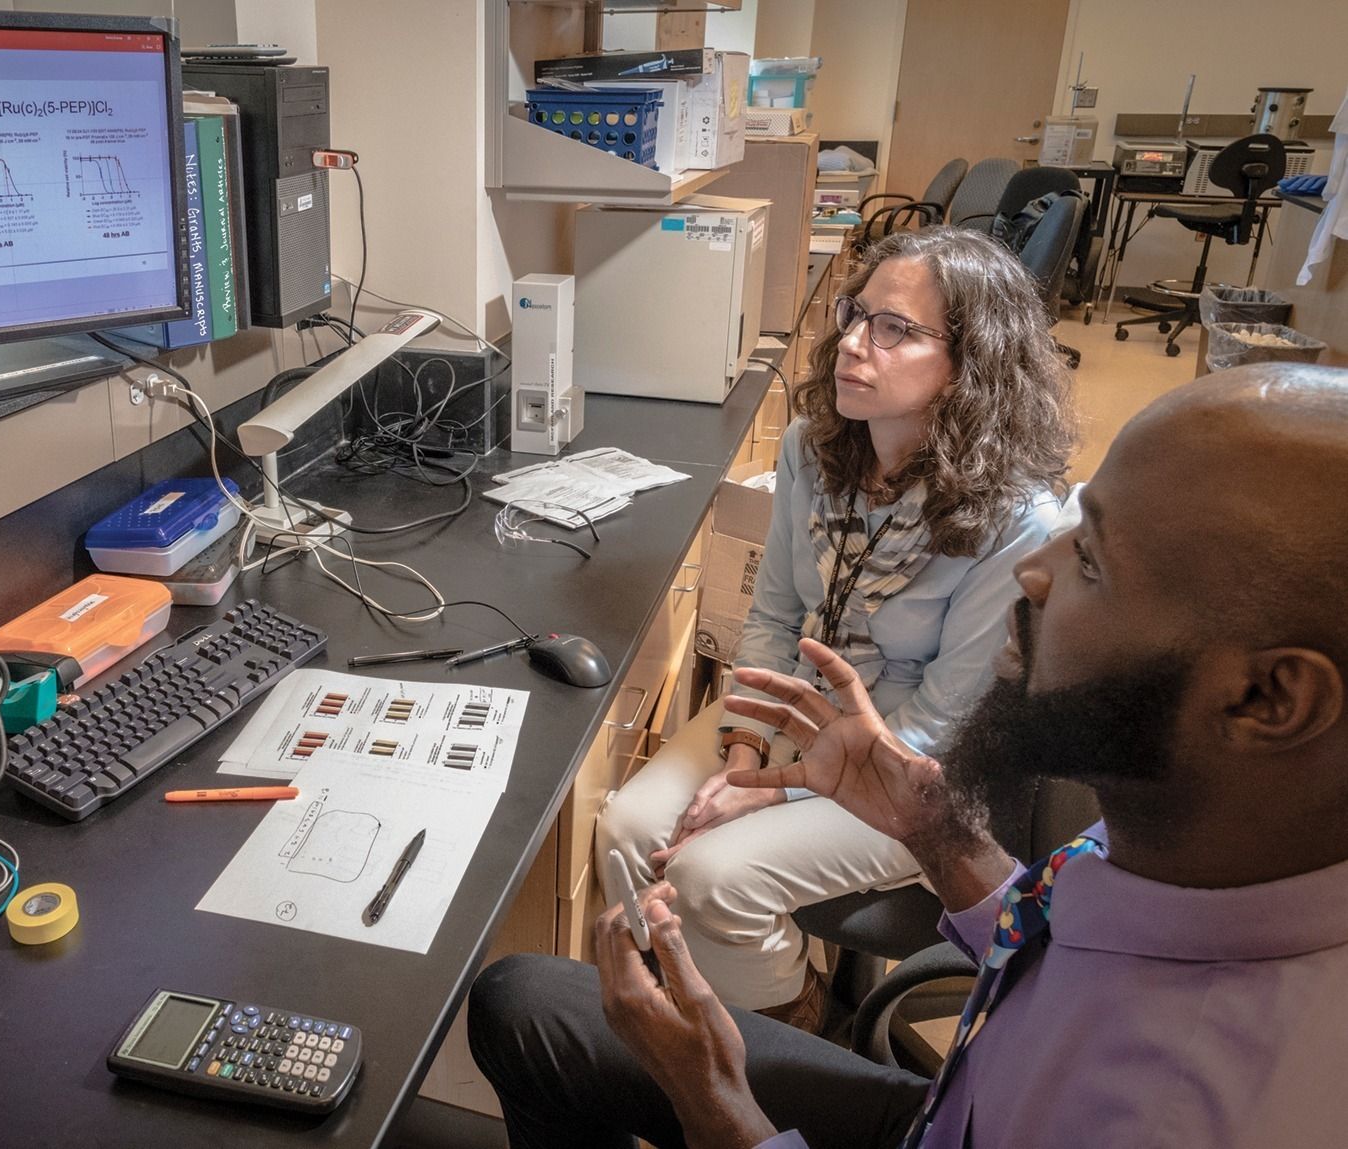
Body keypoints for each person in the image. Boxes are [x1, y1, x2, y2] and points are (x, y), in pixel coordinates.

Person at [469, 363, 1348, 1149]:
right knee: (521, 1002)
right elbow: (1060, 937)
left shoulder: (1187, 1107)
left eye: (1089, 559)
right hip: (965, 1096)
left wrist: (716, 1100)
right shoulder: (1195, 857)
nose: (1033, 569)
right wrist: (934, 829)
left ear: (1269, 698)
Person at [595, 226, 1074, 1028]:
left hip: (919, 772)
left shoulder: (1017, 519)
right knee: (630, 826)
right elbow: (777, 614)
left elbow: (937, 727)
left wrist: (759, 796)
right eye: (857, 314)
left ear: (972, 363)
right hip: (804, 706)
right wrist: (744, 751)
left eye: (895, 329)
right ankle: (685, 1022)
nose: (853, 343)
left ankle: (787, 1036)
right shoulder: (810, 453)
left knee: (711, 871)